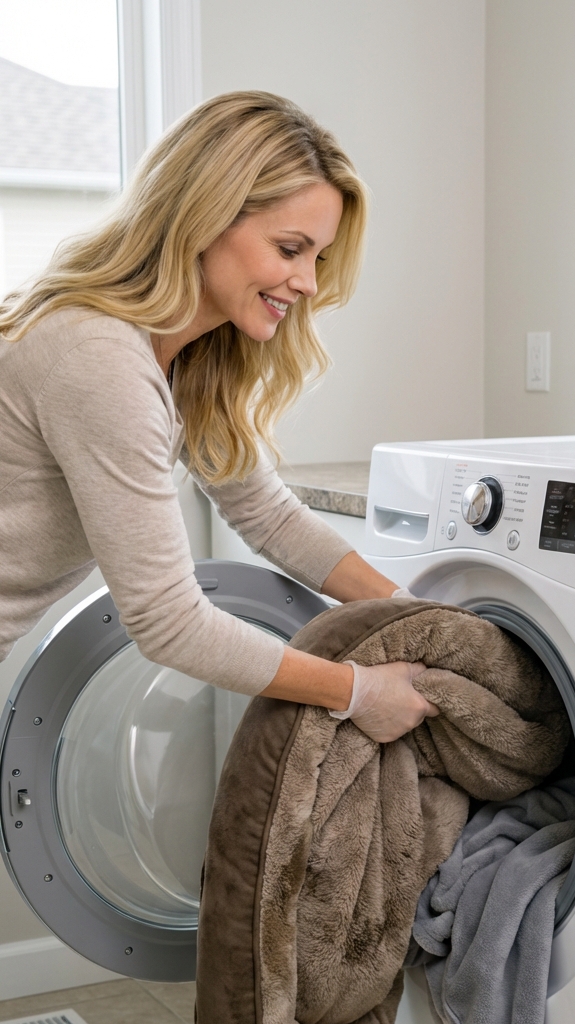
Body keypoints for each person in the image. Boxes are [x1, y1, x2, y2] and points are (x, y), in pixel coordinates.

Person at [0, 91, 437, 743]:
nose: (310, 282)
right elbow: (169, 622)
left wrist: (410, 613)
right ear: (203, 218)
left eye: (317, 257)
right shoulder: (99, 357)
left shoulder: (184, 359)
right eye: (291, 248)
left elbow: (266, 513)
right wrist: (358, 692)